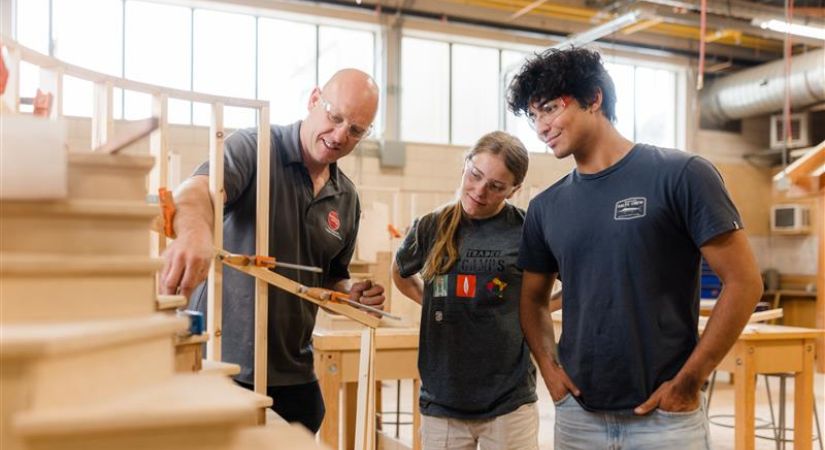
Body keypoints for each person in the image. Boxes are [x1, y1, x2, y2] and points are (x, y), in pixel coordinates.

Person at [507, 47, 763, 449]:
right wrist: (550, 371)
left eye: (551, 109)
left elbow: (744, 283)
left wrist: (690, 381)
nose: (542, 127)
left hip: (666, 418)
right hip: (578, 419)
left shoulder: (682, 175)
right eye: (534, 116)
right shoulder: (545, 207)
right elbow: (532, 300)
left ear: (594, 98)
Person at [159, 68, 386, 433]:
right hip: (223, 364)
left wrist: (352, 293)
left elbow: (332, 277)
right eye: (335, 117)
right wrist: (193, 233)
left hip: (293, 373)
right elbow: (196, 190)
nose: (341, 135)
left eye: (356, 130)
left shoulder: (347, 198)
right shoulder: (255, 149)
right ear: (314, 100)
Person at [392, 131, 539, 450]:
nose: (480, 191)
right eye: (475, 175)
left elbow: (568, 283)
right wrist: (427, 300)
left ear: (514, 190)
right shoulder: (430, 226)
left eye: (496, 186)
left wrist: (534, 311)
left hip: (509, 403)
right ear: (465, 166)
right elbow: (400, 272)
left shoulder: (527, 230)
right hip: (443, 401)